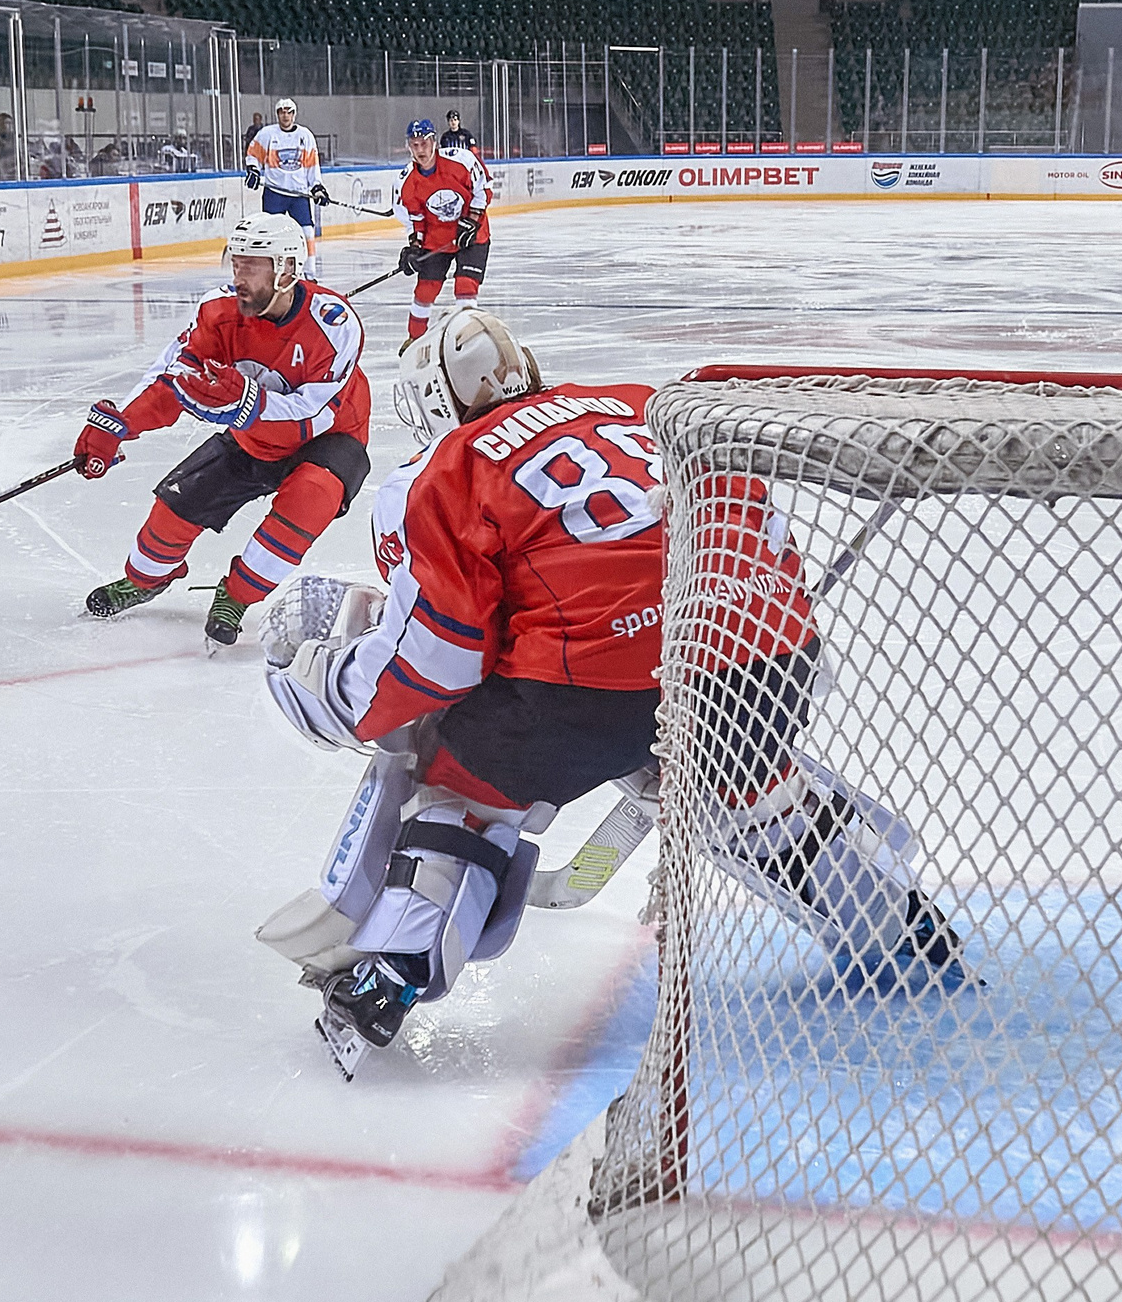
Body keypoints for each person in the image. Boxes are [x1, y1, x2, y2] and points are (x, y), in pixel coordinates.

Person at [257, 309, 965, 1074]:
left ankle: (385, 979)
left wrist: (333, 692)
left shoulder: (449, 467)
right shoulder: (639, 399)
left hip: (591, 693)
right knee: (757, 788)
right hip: (763, 654)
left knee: (457, 785)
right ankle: (903, 928)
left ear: (435, 403)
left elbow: (438, 660)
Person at [71, 212, 370, 649]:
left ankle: (236, 595)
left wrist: (244, 402)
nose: (239, 276)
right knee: (166, 523)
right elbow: (175, 378)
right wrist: (121, 424)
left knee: (310, 499)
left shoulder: (334, 324)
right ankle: (147, 580)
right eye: (236, 262)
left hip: (328, 441)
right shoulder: (217, 311)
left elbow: (313, 412)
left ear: (287, 268)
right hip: (251, 437)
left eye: (253, 264)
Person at [394, 117, 493, 344]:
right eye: (415, 144)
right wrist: (415, 248)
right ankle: (414, 341)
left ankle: (467, 342)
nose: (420, 149)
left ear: (434, 141)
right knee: (424, 292)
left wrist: (472, 220)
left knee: (465, 287)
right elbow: (415, 218)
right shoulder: (406, 182)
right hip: (437, 239)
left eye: (425, 143)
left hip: (471, 235)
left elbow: (484, 189)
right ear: (409, 146)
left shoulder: (462, 160)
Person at [244, 97, 330, 272]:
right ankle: (270, 270)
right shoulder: (267, 134)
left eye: (289, 112)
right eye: (282, 112)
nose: (285, 116)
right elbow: (253, 154)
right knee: (270, 234)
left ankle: (310, 272)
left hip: (298, 194)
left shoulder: (305, 136)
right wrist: (253, 170)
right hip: (274, 193)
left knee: (307, 232)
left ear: (294, 114)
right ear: (277, 114)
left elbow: (312, 165)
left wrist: (317, 187)